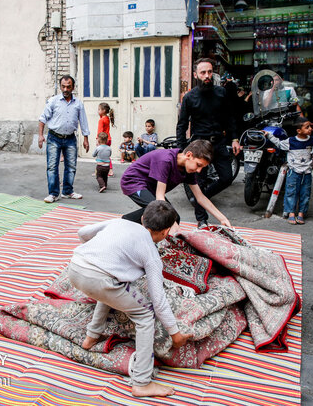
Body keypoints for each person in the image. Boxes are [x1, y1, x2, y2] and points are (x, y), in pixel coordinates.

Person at [67, 200, 191, 397]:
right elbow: (158, 302)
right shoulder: (151, 253)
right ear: (166, 232)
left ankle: (91, 337)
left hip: (75, 268)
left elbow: (82, 232)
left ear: (142, 219)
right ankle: (142, 382)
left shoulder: (120, 223)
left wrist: (98, 252)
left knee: (114, 288)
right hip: (99, 280)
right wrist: (175, 334)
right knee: (145, 315)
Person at [175, 58, 241, 228]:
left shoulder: (221, 93)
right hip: (199, 145)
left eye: (210, 72)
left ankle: (201, 197)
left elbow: (231, 117)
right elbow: (182, 125)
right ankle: (201, 220)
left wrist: (234, 139)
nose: (207, 76)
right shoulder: (189, 97)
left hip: (218, 142)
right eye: (203, 72)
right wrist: (182, 149)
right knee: (199, 181)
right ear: (196, 74)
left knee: (226, 178)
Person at [120, 140, 232, 230]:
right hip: (133, 182)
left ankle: (137, 230)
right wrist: (177, 231)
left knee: (174, 218)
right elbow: (160, 197)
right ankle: (122, 223)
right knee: (163, 214)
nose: (199, 171)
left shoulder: (188, 169)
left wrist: (222, 218)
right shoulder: (166, 160)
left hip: (151, 187)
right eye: (198, 165)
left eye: (202, 167)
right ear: (189, 155)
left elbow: (200, 197)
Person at [38, 75, 90, 203]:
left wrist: (86, 138)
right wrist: (40, 135)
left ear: (73, 87)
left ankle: (67, 191)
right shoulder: (53, 101)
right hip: (54, 138)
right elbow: (42, 118)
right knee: (52, 166)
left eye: (68, 86)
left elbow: (83, 122)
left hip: (70, 138)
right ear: (60, 86)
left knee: (71, 166)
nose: (65, 89)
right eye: (63, 86)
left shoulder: (78, 104)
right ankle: (53, 193)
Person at [264, 116, 313, 224]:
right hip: (293, 171)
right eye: (307, 127)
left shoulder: (312, 141)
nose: (310, 129)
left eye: (310, 126)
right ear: (299, 131)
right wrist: (268, 135)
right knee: (291, 192)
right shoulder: (291, 141)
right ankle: (291, 213)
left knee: (305, 193)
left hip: (307, 172)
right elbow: (278, 143)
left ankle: (301, 213)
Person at [97, 102, 114, 176]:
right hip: (108, 139)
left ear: (103, 110)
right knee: (106, 156)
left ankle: (109, 170)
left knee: (101, 156)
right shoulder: (107, 118)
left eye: (99, 109)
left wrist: (98, 140)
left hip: (103, 140)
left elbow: (100, 131)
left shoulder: (101, 120)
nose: (98, 111)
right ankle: (107, 170)